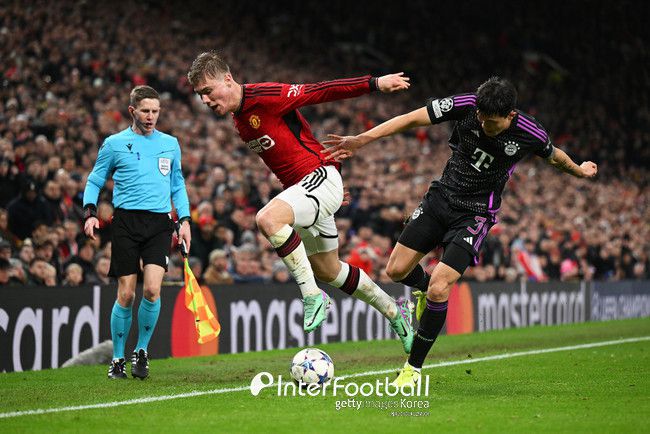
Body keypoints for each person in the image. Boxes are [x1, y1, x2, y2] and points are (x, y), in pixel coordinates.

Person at [323, 76, 598, 386]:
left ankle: (413, 369)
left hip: (475, 213)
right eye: (480, 116)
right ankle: (422, 287)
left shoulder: (529, 132)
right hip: (440, 199)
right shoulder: (467, 105)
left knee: (441, 287)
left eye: (491, 121)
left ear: (510, 115)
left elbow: (555, 156)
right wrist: (363, 139)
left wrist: (579, 170)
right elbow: (411, 118)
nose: (483, 124)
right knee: (396, 270)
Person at [187, 51, 415, 353]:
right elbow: (294, 149)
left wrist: (374, 83)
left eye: (207, 91)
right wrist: (322, 189)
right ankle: (395, 312)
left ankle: (312, 296)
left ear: (227, 79)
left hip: (318, 179)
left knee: (267, 219)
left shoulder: (264, 96)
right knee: (329, 271)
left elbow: (320, 91)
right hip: (309, 188)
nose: (205, 100)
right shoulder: (239, 120)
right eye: (200, 95)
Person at [82, 85, 191, 380]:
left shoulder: (170, 144)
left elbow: (178, 185)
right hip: (126, 223)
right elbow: (95, 179)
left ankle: (141, 351)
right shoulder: (114, 144)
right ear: (132, 111)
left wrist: (185, 220)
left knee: (153, 290)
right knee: (127, 293)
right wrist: (90, 213)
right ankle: (117, 358)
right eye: (145, 111)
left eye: (155, 111)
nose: (151, 116)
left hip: (159, 224)